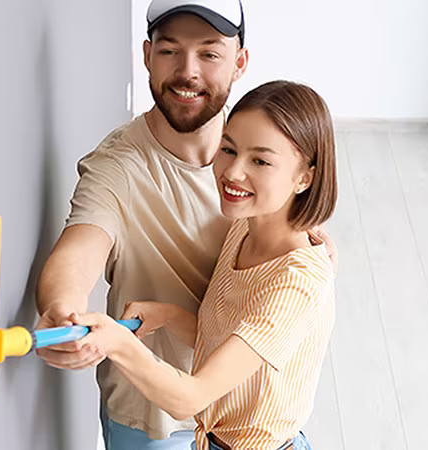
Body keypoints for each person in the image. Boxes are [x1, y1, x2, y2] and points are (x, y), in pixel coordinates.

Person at [71, 80, 337, 450]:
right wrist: (166, 315)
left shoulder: (297, 285)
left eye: (260, 161)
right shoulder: (243, 228)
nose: (233, 172)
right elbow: (224, 342)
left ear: (305, 177)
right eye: (228, 149)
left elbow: (191, 398)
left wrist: (117, 344)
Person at [35, 0, 250, 448]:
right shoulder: (118, 167)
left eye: (209, 53)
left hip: (245, 415)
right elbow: (80, 248)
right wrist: (62, 309)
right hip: (155, 427)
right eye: (170, 51)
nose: (187, 72)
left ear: (240, 62)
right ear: (148, 56)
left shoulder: (257, 150)